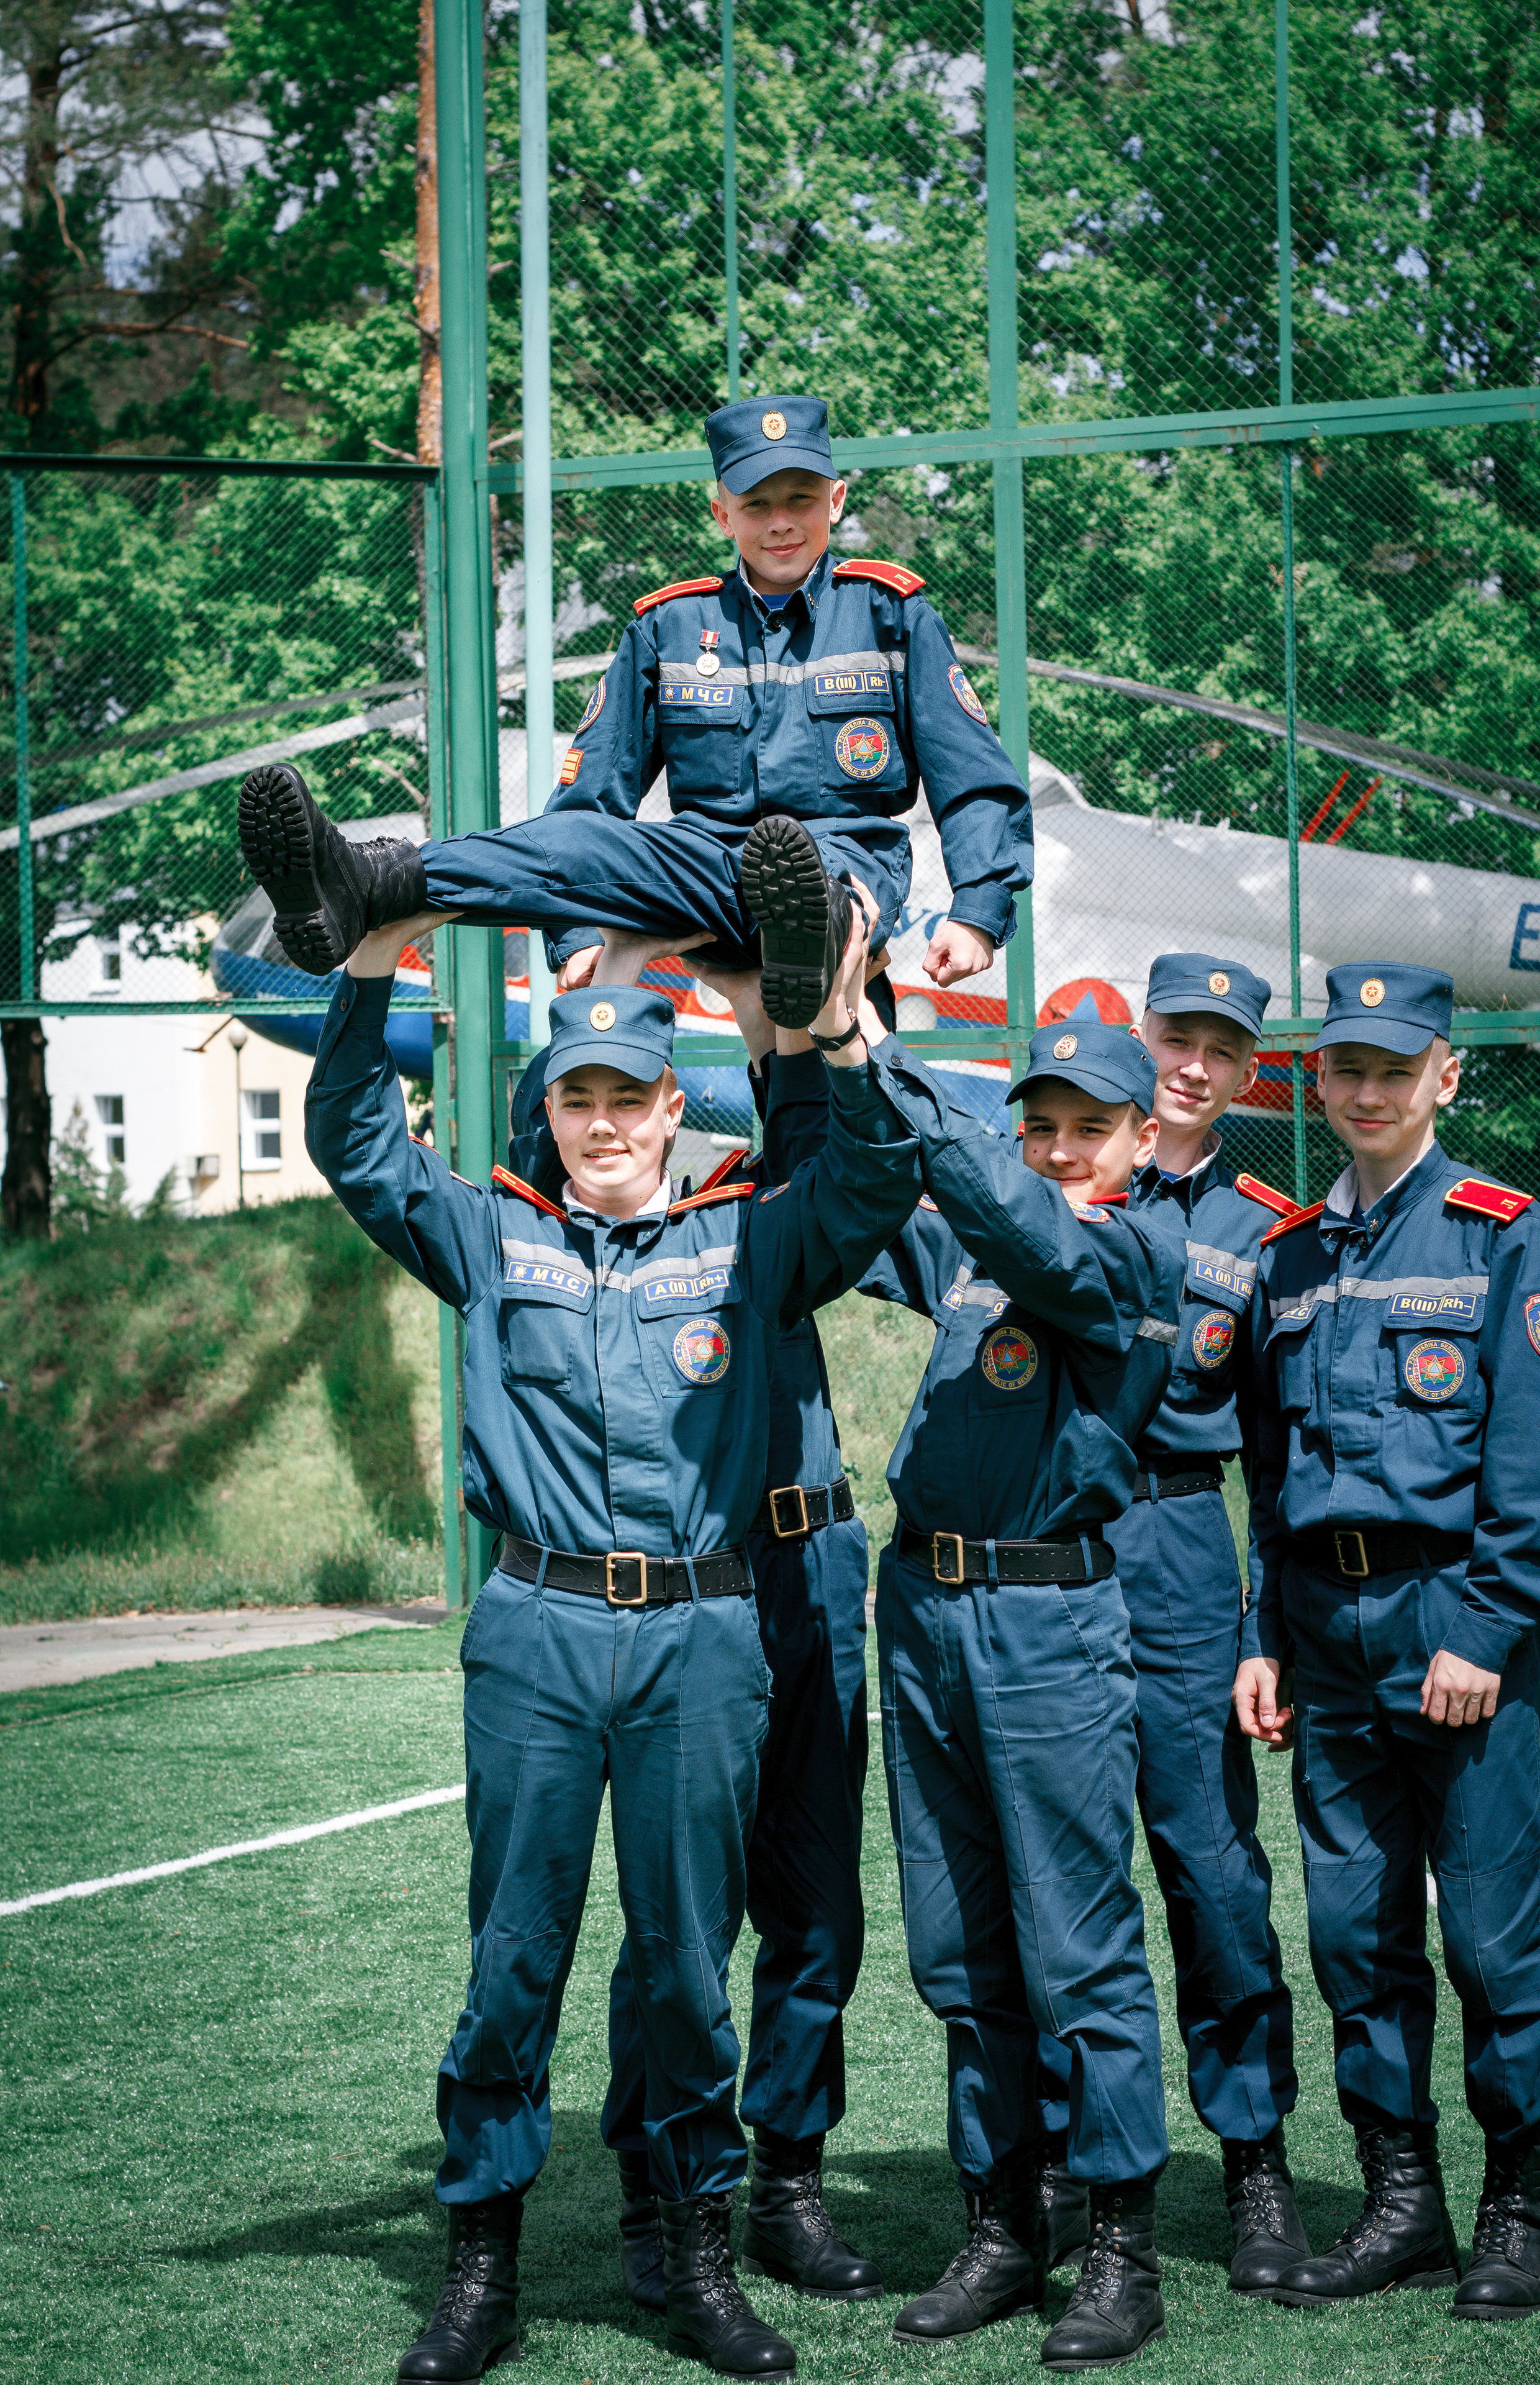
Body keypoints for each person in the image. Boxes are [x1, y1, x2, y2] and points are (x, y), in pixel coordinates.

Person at [304, 894, 922, 2383]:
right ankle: (480, 2265)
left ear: (667, 1109)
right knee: (513, 1956)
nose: (601, 1124)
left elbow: (873, 1177)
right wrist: (372, 961)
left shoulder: (745, 1238)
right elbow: (358, 1144)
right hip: (535, 1628)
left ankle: (696, 2253)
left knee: (684, 1966)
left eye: (625, 1098)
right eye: (575, 1097)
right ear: (551, 1112)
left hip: (701, 1634)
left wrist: (837, 1027)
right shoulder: (491, 1231)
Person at [235, 393, 1033, 1029]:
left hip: (845, 863)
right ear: (722, 514)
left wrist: (978, 910)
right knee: (577, 839)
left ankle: (808, 939)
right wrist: (578, 933)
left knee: (815, 882)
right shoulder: (668, 627)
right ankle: (367, 881)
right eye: (756, 503)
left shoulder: (892, 614)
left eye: (800, 498)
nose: (781, 521)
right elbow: (590, 796)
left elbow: (972, 778)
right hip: (704, 865)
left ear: (836, 498)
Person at [506, 992, 882, 2307]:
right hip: (680, 1578)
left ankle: (786, 2181)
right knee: (677, 1920)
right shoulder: (645, 1200)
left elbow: (831, 1126)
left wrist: (789, 1006)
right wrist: (615, 966)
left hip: (807, 1557)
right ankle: (654, 2190)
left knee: (815, 1902)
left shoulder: (775, 1194)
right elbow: (547, 1144)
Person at [1234, 963, 1540, 2320]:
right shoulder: (1287, 1257)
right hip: (1323, 1634)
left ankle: (1517, 2208)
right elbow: (1268, 1480)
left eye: (1397, 1069)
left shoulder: (1503, 1235)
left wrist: (1486, 1630)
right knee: (1352, 1935)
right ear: (1317, 1082)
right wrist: (1265, 1634)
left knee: (1489, 1939)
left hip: (1453, 1623)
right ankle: (1403, 2206)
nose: (1370, 1092)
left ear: (1445, 1076)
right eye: (1348, 1069)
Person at [851, 1002, 1184, 2368]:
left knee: (1075, 1946)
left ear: (1144, 1139)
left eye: (1088, 1129)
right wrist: (810, 1038)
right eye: (1036, 1126)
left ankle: (1120, 2252)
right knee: (957, 1945)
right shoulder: (983, 1238)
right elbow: (870, 1185)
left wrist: (884, 1057)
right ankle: (1002, 2227)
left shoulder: (1134, 1252)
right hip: (924, 1607)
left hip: (1047, 1619)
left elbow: (1018, 1225)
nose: (1056, 1149)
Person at [1035, 960, 1306, 2295]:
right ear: (1138, 1042)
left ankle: (1252, 2157)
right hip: (1049, 1551)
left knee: (1210, 1869)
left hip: (1181, 1550)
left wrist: (1261, 1628)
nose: (1192, 1065)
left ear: (1248, 1071)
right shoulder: (1055, 1173)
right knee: (1054, 1869)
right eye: (1173, 1039)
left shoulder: (1264, 1232)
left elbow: (1280, 1457)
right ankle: (1055, 2160)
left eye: (1219, 1048)